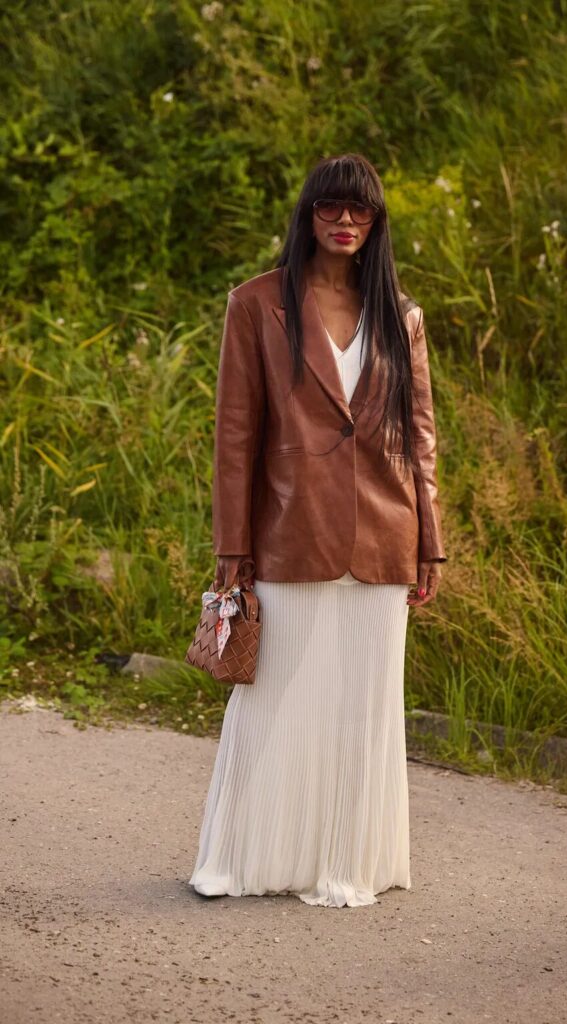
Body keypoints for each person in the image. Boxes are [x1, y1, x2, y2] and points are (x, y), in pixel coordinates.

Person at [189, 152, 447, 908]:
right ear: (307, 216)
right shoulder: (256, 304)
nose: (343, 223)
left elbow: (419, 435)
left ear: (375, 225)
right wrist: (232, 548)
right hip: (287, 533)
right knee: (271, 701)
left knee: (363, 709)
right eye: (330, 209)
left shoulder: (401, 316)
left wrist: (430, 540)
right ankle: (243, 860)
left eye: (359, 212)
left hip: (384, 533)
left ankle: (350, 863)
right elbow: (235, 433)